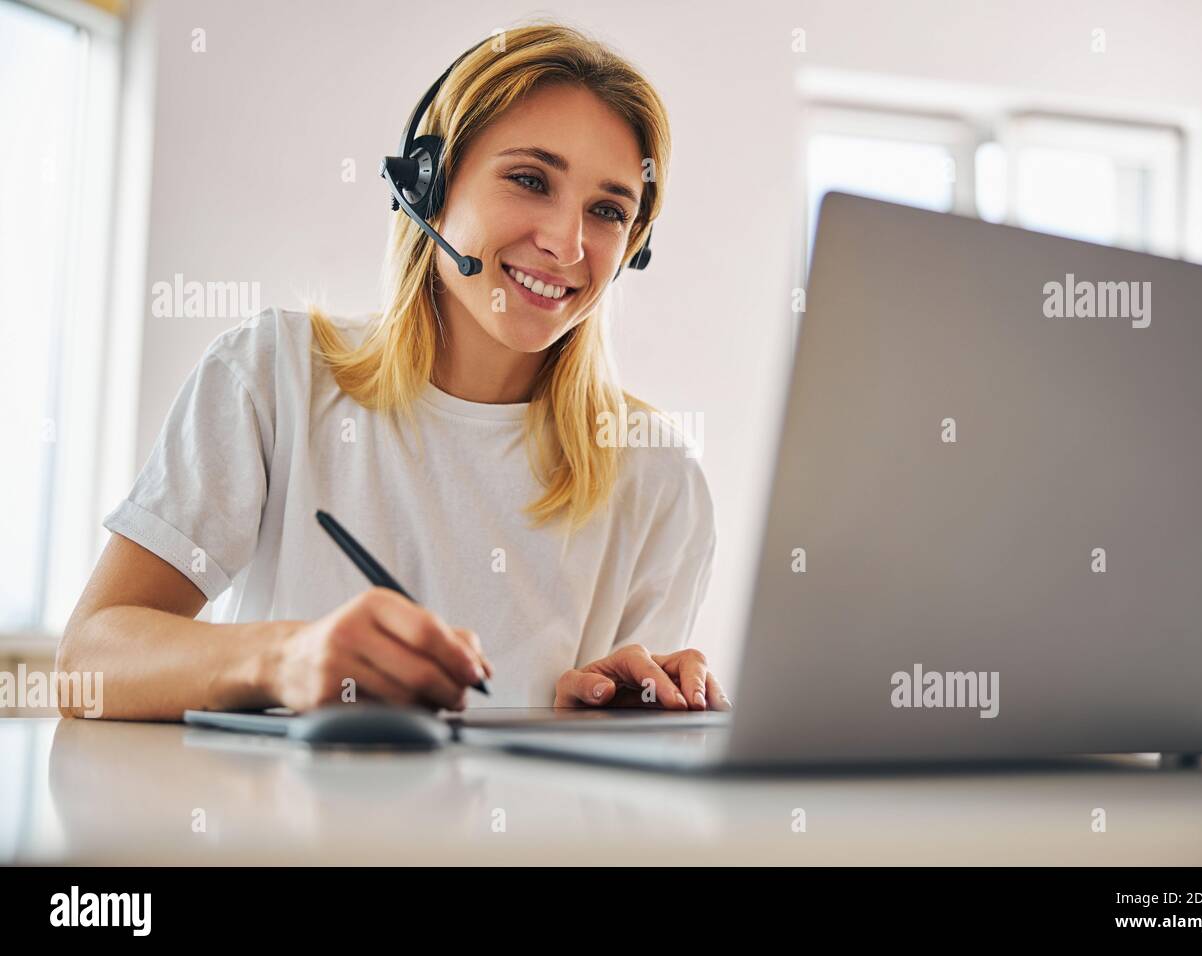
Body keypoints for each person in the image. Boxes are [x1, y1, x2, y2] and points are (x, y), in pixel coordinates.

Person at [57, 21, 729, 720]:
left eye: (608, 211)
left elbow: (617, 800)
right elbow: (88, 663)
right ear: (427, 186)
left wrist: (606, 724)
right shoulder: (276, 376)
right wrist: (287, 659)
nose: (566, 243)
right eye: (530, 180)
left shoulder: (660, 477)